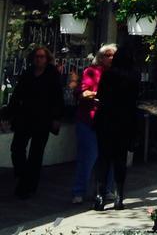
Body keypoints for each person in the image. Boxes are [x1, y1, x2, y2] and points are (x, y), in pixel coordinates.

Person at [5, 46, 64, 199]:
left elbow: (57, 97)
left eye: (42, 57)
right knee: (17, 148)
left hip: (43, 119)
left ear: (47, 59)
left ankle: (28, 186)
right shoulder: (28, 73)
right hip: (25, 117)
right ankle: (22, 174)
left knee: (36, 154)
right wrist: (8, 113)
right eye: (37, 56)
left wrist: (56, 118)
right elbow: (17, 94)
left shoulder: (52, 75)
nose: (39, 59)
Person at [92, 49, 139, 211]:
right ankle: (119, 198)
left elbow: (100, 96)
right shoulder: (134, 77)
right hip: (125, 122)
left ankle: (100, 197)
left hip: (106, 120)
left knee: (103, 158)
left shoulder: (108, 74)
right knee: (120, 159)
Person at [71, 45, 116, 204]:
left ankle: (107, 189)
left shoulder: (116, 74)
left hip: (108, 120)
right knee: (88, 157)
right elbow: (83, 92)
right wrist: (99, 94)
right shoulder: (91, 71)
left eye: (113, 55)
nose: (111, 58)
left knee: (108, 157)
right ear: (101, 57)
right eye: (107, 55)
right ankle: (79, 191)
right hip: (89, 119)